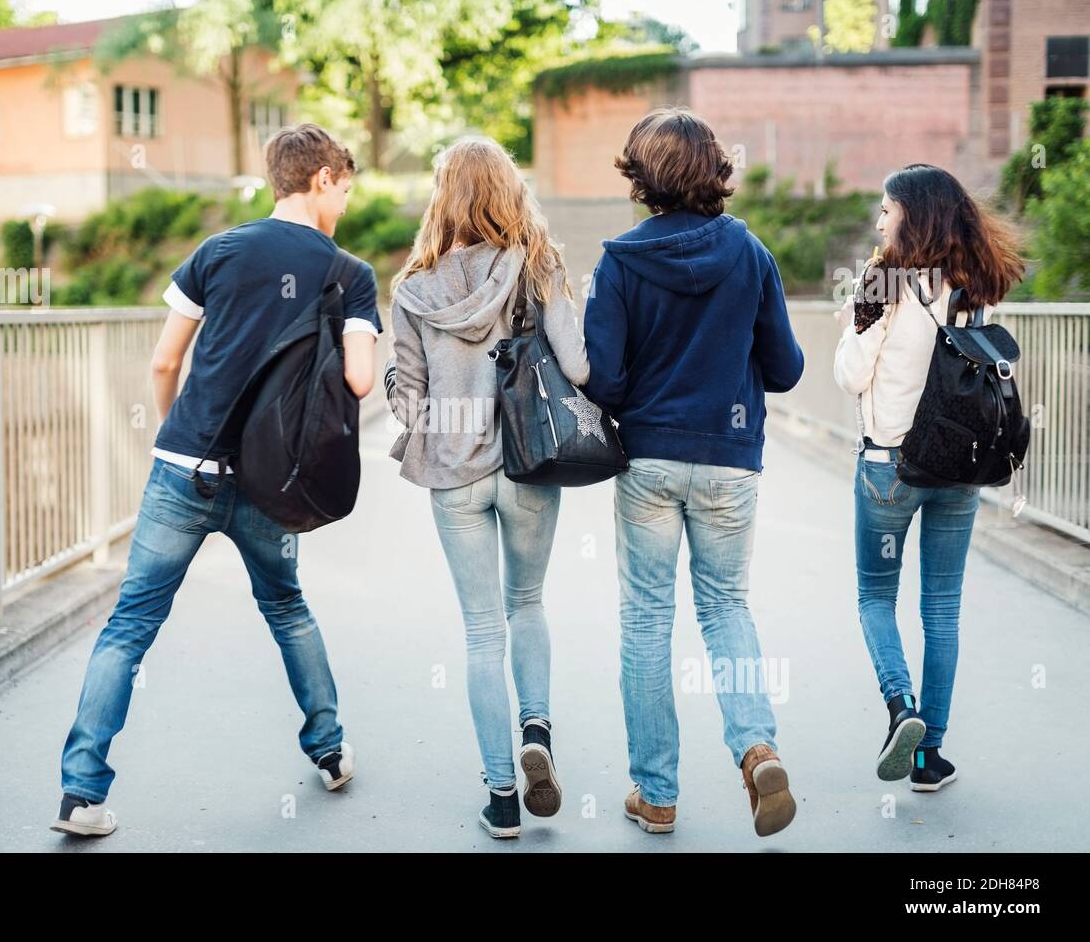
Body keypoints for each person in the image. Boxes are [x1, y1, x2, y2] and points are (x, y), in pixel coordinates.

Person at [52, 124, 382, 837]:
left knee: (129, 626)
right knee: (288, 609)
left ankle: (81, 794)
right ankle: (329, 751)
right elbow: (359, 379)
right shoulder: (349, 274)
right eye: (346, 189)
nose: (345, 205)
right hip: (271, 482)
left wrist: (178, 433)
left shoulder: (218, 251)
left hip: (183, 467)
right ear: (323, 178)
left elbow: (165, 362)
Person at [583, 108, 804, 837]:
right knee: (726, 608)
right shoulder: (750, 253)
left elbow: (605, 382)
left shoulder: (618, 261)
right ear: (715, 169)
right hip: (730, 463)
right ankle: (756, 746)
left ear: (640, 176)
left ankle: (657, 793)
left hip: (647, 459)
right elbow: (787, 369)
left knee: (647, 620)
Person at [384, 136, 588, 838]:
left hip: (454, 473)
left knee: (479, 633)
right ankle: (538, 729)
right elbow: (580, 369)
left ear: (442, 198)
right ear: (509, 190)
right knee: (526, 602)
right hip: (528, 463)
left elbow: (406, 403)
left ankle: (502, 797)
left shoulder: (413, 287)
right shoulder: (540, 264)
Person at [834, 163, 1024, 792]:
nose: (879, 221)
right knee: (942, 607)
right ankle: (927, 757)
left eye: (887, 210)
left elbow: (851, 377)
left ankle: (900, 709)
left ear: (912, 213)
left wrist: (852, 325)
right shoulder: (977, 280)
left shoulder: (883, 279)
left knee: (874, 598)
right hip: (958, 467)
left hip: (889, 467)